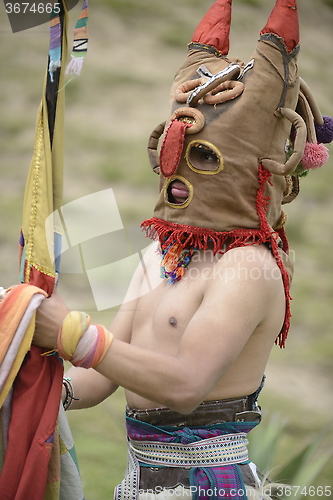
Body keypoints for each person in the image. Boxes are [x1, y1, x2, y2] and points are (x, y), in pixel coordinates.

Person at [33, 0, 333, 499]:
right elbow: (106, 374)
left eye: (201, 156)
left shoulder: (248, 267)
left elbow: (184, 386)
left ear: (250, 169)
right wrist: (45, 391)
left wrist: (70, 332)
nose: (178, 170)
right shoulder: (163, 253)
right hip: (139, 484)